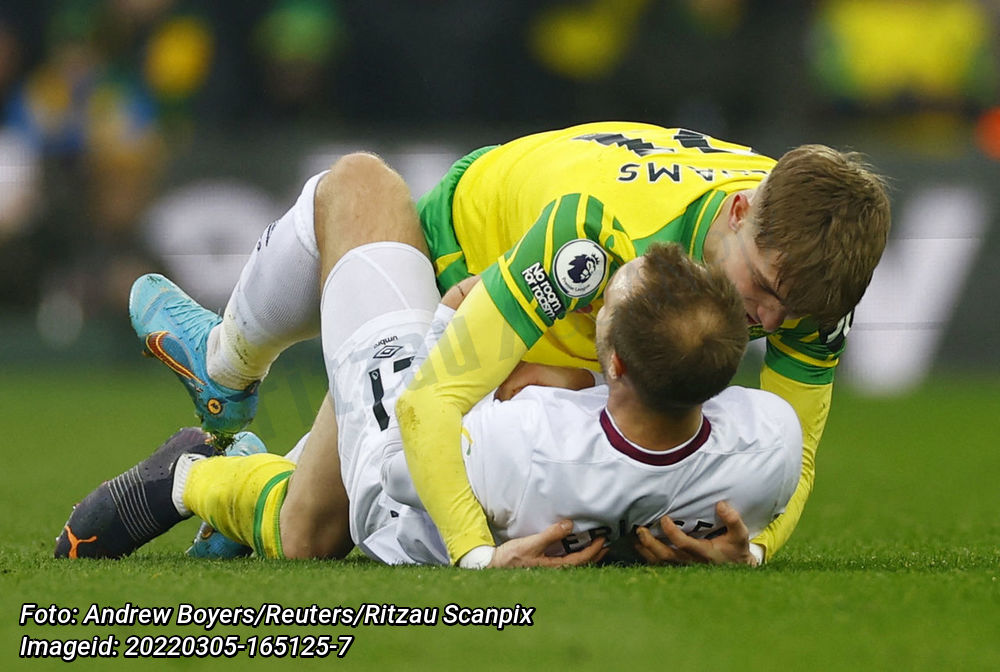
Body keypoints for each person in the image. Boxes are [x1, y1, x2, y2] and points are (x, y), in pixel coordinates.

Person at [117, 122, 891, 567]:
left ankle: (238, 472)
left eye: (798, 314)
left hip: (603, 325)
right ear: (738, 212)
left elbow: (796, 463)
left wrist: (746, 549)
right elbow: (432, 403)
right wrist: (477, 558)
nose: (773, 324)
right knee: (433, 467)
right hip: (478, 257)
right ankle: (228, 361)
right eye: (763, 290)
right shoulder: (600, 233)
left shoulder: (806, 269)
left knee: (312, 535)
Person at [54, 241, 801, 567]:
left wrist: (454, 318)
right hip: (546, 463)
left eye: (615, 301)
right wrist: (754, 554)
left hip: (413, 511)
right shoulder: (768, 443)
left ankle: (197, 456)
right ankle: (238, 475)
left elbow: (423, 436)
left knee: (358, 190)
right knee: (307, 514)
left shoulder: (524, 444)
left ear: (617, 362)